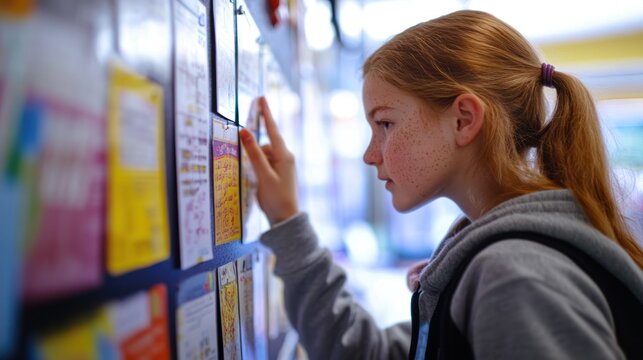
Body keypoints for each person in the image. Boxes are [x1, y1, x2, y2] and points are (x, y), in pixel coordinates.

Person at [239, 10, 643, 360]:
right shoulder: (486, 257)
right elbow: (373, 354)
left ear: (464, 119)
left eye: (384, 124)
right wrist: (287, 219)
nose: (369, 154)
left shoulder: (514, 276)